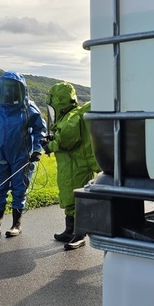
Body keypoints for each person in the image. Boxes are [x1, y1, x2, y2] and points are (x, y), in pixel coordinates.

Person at [0, 71, 47, 240]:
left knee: (19, 188)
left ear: (20, 89)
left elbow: (40, 129)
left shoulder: (28, 107)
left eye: (12, 89)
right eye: (5, 89)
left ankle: (16, 224)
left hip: (21, 155)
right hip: (0, 153)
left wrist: (37, 149)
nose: (8, 93)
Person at [43, 82, 100, 250]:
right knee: (68, 196)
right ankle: (69, 230)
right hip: (68, 165)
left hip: (77, 165)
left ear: (59, 104)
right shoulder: (69, 116)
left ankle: (79, 234)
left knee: (77, 198)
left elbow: (66, 140)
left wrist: (50, 145)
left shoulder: (71, 118)